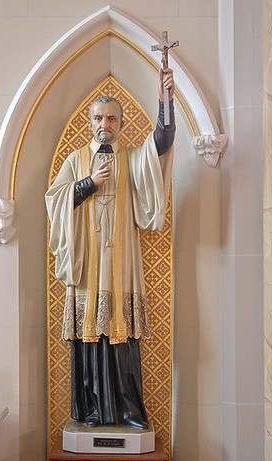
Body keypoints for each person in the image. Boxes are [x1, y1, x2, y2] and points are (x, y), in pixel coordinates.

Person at [46, 69, 175, 429]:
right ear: (90, 123)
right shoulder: (75, 160)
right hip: (87, 264)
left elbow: (162, 142)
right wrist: (88, 183)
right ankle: (89, 410)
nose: (105, 124)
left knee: (123, 337)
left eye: (112, 118)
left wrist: (165, 101)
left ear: (121, 123)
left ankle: (129, 411)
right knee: (88, 337)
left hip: (121, 262)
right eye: (99, 118)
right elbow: (54, 199)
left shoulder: (133, 159)